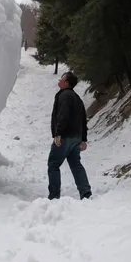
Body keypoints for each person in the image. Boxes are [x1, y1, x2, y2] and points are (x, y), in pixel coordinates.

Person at [48, 71, 92, 200]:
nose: (59, 81)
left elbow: (63, 115)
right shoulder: (77, 98)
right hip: (76, 138)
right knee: (75, 164)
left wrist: (58, 133)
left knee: (53, 164)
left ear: (66, 82)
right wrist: (83, 139)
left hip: (65, 137)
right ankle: (85, 192)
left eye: (61, 79)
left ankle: (54, 195)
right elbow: (83, 119)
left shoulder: (64, 96)